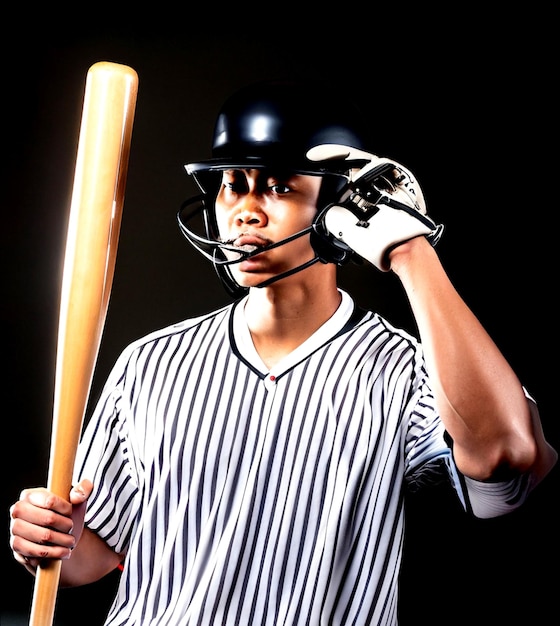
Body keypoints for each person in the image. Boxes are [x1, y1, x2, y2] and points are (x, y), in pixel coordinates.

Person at [9, 79, 557, 626]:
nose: (244, 210)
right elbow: (93, 557)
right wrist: (54, 536)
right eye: (231, 184)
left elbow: (506, 459)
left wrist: (412, 253)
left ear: (340, 204)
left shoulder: (405, 370)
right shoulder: (150, 363)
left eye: (277, 186)